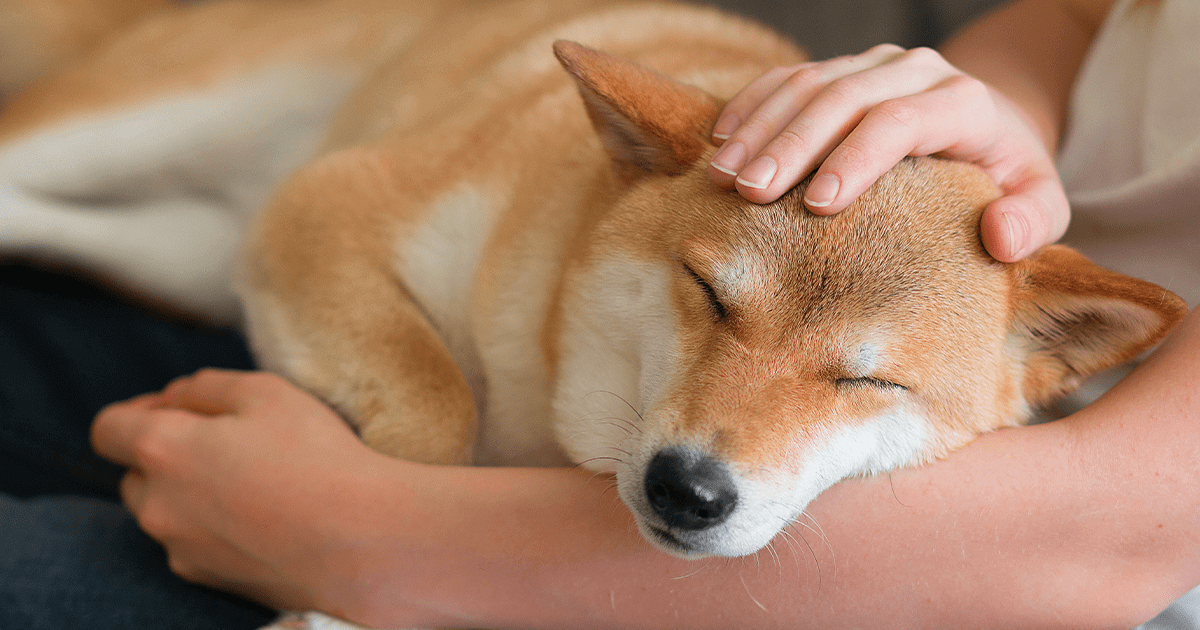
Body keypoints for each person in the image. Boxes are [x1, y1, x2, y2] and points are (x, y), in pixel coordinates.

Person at [10, 0, 1200, 628]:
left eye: (856, 381)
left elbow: (1106, 550)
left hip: (964, 557)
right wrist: (997, 134)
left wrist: (371, 533)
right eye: (711, 308)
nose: (721, 437)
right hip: (472, 284)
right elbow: (1085, 16)